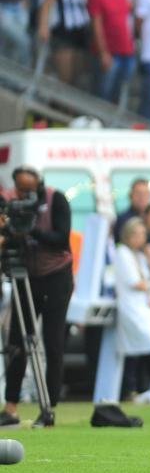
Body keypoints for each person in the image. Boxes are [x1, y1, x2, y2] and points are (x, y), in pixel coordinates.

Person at [0, 167, 74, 428]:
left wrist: (31, 231)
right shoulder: (11, 203)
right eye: (20, 189)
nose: (23, 194)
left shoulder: (56, 200)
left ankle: (49, 408)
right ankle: (10, 408)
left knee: (52, 342)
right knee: (17, 341)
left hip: (57, 276)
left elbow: (61, 238)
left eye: (28, 190)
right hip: (27, 275)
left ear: (39, 185)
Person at [114, 218, 150, 405]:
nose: (141, 238)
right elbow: (137, 283)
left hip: (147, 307)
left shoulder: (140, 255)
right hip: (133, 307)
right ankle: (135, 388)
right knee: (142, 346)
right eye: (137, 234)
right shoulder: (122, 253)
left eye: (143, 234)